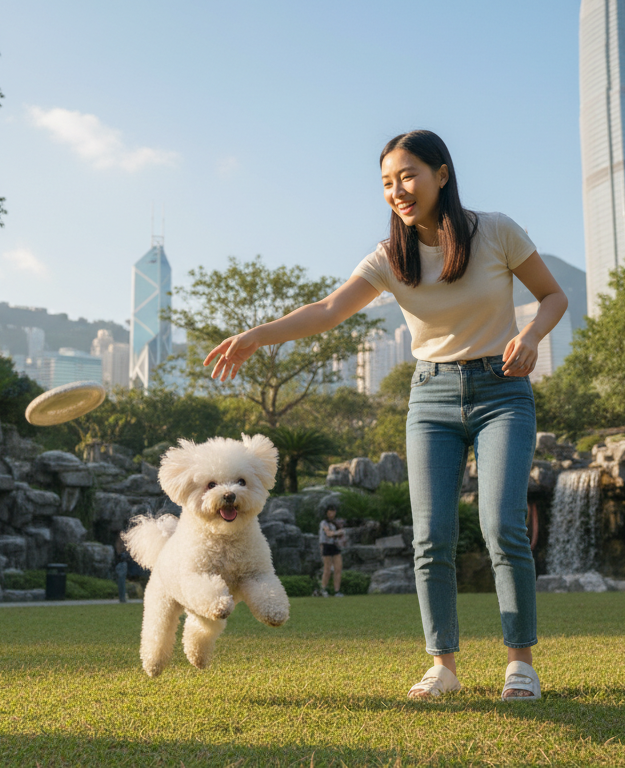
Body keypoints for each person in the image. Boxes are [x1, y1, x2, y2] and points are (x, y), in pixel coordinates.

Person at [203, 130, 568, 702]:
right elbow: (327, 310)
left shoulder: (494, 229)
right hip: (430, 398)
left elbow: (553, 296)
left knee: (502, 526)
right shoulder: (388, 257)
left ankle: (519, 664)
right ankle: (442, 665)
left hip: (503, 390)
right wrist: (257, 335)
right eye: (386, 182)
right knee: (431, 538)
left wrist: (530, 335)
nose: (397, 190)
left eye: (408, 175)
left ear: (441, 175)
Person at [318, 503, 347, 597]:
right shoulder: (324, 522)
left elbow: (341, 532)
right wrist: (337, 532)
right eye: (330, 512)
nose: (332, 514)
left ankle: (337, 590)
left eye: (333, 512)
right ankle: (323, 589)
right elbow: (328, 533)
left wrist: (339, 533)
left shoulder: (336, 522)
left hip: (335, 546)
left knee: (338, 568)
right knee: (327, 569)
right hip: (326, 546)